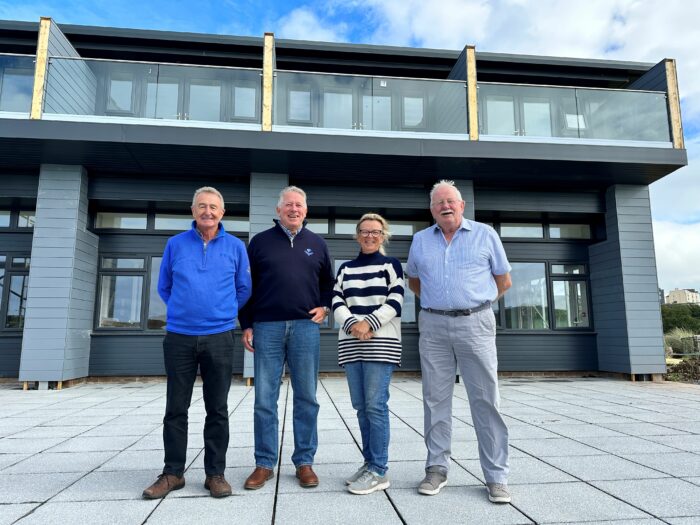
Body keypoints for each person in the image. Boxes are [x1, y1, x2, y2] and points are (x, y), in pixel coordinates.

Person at [406, 180, 513, 504]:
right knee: (435, 400)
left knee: (485, 400)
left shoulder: (485, 234)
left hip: (475, 324)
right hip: (433, 326)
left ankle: (496, 476)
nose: (445, 206)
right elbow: (414, 281)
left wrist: (474, 306)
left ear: (462, 205)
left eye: (450, 201)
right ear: (431, 209)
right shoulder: (420, 240)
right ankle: (436, 468)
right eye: (439, 202)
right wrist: (440, 304)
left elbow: (504, 280)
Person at [142, 186, 252, 500]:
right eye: (202, 206)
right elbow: (164, 286)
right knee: (176, 407)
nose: (207, 211)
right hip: (179, 336)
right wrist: (184, 310)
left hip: (220, 336)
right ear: (193, 211)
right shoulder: (175, 244)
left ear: (222, 212)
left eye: (213, 207)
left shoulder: (235, 247)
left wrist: (223, 312)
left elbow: (244, 288)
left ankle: (215, 473)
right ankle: (173, 473)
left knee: (217, 408)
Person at [240, 186, 334, 490]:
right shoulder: (260, 242)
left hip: (305, 327)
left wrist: (325, 306)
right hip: (266, 327)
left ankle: (304, 461)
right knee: (264, 398)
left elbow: (328, 283)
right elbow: (246, 286)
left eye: (299, 205)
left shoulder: (317, 243)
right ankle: (264, 463)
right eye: (289, 205)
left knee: (307, 397)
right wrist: (247, 324)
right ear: (278, 210)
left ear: (306, 211)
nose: (294, 209)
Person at [332, 213, 404, 495]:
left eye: (375, 231)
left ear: (383, 235)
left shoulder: (391, 265)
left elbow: (395, 301)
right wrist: (353, 324)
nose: (370, 236)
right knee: (361, 407)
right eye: (364, 231)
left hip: (381, 343)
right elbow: (336, 300)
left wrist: (369, 323)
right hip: (352, 344)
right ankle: (368, 463)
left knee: (375, 406)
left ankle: (379, 470)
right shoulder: (345, 268)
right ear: (357, 235)